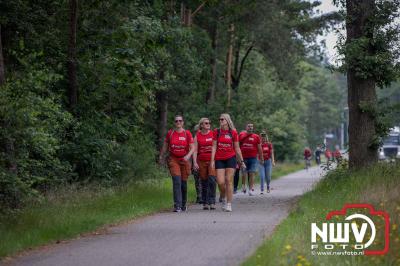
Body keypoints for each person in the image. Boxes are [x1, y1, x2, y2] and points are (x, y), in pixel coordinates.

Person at [159, 115, 194, 212]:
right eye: (176, 121)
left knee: (183, 183)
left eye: (180, 121)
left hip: (184, 160)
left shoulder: (187, 133)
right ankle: (177, 205)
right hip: (173, 159)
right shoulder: (170, 133)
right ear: (174, 123)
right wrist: (161, 156)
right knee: (176, 181)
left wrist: (188, 156)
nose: (178, 122)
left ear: (183, 122)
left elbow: (193, 147)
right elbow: (165, 146)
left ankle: (183, 204)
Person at [211, 114, 246, 212]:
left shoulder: (233, 132)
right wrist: (212, 160)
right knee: (220, 182)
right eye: (220, 119)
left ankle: (229, 203)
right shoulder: (216, 132)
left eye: (222, 119)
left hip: (231, 158)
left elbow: (237, 148)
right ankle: (223, 196)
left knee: (228, 180)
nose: (220, 120)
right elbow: (214, 147)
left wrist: (242, 161)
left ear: (227, 120)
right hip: (219, 158)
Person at [193, 118, 217, 210]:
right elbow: (195, 150)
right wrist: (194, 162)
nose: (208, 124)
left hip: (212, 161)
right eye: (206, 123)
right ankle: (205, 202)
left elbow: (216, 146)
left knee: (212, 180)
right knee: (204, 181)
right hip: (201, 161)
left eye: (209, 123)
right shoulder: (197, 136)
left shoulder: (213, 134)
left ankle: (212, 201)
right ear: (201, 125)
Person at [239, 123, 263, 196]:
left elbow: (259, 148)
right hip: (243, 158)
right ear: (246, 127)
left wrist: (261, 158)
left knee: (252, 173)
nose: (250, 127)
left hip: (253, 158)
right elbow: (238, 146)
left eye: (251, 126)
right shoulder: (241, 135)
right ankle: (244, 185)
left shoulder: (256, 137)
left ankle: (251, 189)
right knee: (244, 173)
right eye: (249, 126)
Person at [192, 124, 202, 204]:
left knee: (205, 179)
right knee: (197, 180)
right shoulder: (193, 139)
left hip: (204, 161)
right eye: (196, 131)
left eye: (199, 130)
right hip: (195, 162)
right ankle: (199, 196)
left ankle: (204, 196)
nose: (198, 132)